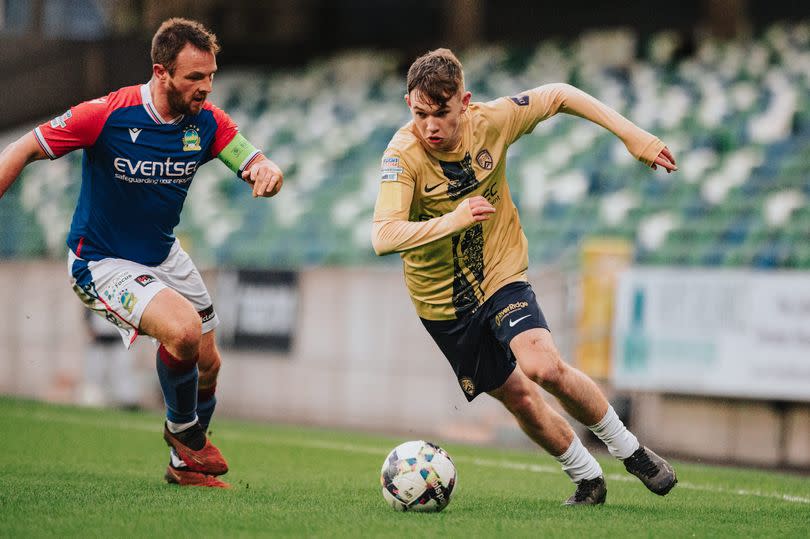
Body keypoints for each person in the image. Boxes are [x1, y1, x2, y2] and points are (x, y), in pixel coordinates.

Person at [372, 48, 677, 505]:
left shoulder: (492, 122)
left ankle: (629, 450)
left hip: (500, 272)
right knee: (518, 396)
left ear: (465, 102)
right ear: (408, 105)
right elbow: (383, 234)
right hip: (442, 303)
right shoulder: (402, 155)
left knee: (542, 365)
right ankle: (588, 479)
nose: (430, 126)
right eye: (419, 114)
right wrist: (455, 219)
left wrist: (632, 136)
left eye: (441, 113)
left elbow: (559, 94)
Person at [0, 18, 283, 489]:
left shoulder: (206, 122)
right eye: (195, 77)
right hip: (102, 260)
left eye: (211, 75)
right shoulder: (106, 114)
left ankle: (185, 465)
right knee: (184, 332)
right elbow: (21, 147)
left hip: (163, 254)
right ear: (161, 72)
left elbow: (251, 158)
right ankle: (181, 432)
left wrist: (267, 172)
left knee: (209, 363)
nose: (206, 88)